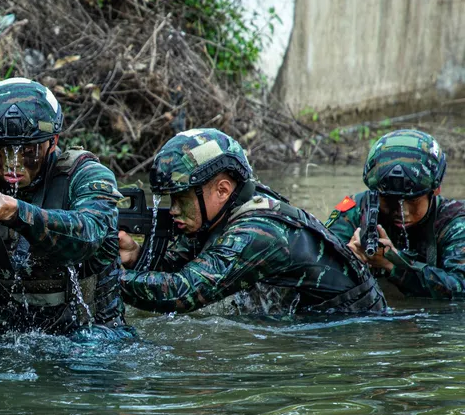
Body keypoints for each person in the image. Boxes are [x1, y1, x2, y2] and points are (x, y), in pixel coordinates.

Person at [0, 77, 135, 339]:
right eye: (0, 152)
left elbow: (88, 237)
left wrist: (15, 212)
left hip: (91, 335)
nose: (13, 164)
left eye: (28, 152)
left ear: (53, 141)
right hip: (6, 337)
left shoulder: (87, 176)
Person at [118, 129, 386, 315]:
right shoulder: (216, 212)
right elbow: (178, 268)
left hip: (348, 329)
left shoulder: (258, 231)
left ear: (222, 190)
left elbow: (183, 292)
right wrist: (135, 256)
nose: (173, 210)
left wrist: (112, 277)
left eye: (181, 199)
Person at [326, 129, 465, 299]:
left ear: (436, 190)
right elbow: (313, 265)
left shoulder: (456, 221)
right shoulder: (355, 209)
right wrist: (345, 258)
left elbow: (460, 287)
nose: (402, 211)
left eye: (412, 201)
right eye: (390, 201)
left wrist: (393, 264)